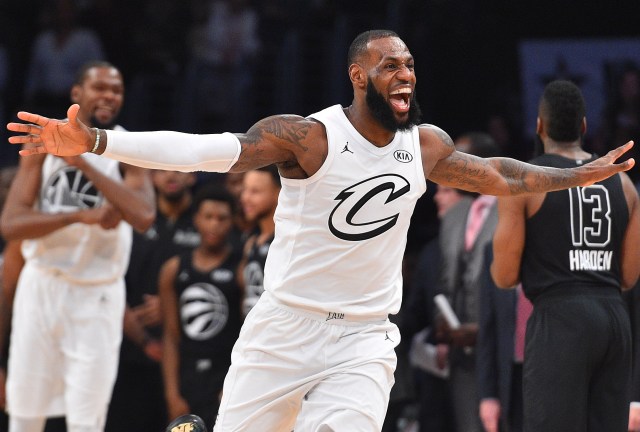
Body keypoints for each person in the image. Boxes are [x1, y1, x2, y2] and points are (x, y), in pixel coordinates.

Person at [6, 30, 635, 432]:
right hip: (282, 329)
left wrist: (574, 178)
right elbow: (203, 150)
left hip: (363, 339)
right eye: (390, 65)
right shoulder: (308, 136)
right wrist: (96, 140)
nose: (406, 74)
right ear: (358, 76)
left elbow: (503, 174)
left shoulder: (425, 146)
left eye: (411, 64)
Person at [0, 61, 155, 432]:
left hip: (96, 293)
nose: (108, 96)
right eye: (99, 87)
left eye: (116, 90)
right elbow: (11, 224)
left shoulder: (127, 147)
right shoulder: (43, 142)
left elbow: (144, 215)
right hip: (41, 285)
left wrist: (83, 164)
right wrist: (76, 217)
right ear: (76, 94)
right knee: (24, 412)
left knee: (87, 419)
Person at [491, 80, 640, 431]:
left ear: (539, 126)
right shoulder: (625, 185)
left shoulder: (524, 180)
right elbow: (630, 276)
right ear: (584, 127)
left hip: (560, 317)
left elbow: (504, 276)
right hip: (613, 320)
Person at [105, 169, 199, 432]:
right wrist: (137, 334)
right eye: (161, 169)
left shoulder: (205, 219)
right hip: (129, 348)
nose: (171, 175)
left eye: (179, 168)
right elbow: (110, 277)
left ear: (193, 175)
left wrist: (171, 307)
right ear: (150, 177)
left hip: (185, 354)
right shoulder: (134, 219)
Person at [159, 184, 242, 428]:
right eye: (208, 217)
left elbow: (247, 333)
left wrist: (233, 384)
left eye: (222, 218)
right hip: (188, 378)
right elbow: (170, 337)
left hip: (225, 376)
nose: (214, 225)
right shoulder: (173, 269)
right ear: (196, 219)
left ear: (233, 222)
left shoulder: (240, 268)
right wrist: (172, 394)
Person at [476, 245, 528, 432]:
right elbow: (488, 329)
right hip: (511, 375)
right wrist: (488, 394)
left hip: (552, 373)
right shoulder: (494, 251)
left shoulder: (558, 246)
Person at [237, 165, 280, 317]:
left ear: (278, 193)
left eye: (255, 191)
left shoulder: (287, 241)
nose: (245, 198)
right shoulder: (251, 242)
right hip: (251, 334)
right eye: (244, 190)